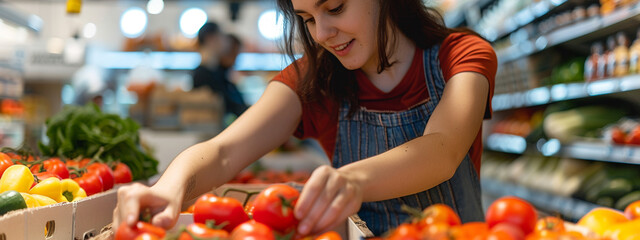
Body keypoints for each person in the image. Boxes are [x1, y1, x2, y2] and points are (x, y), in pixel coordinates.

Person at [113, 0, 496, 236]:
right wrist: (170, 187)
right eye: (307, 19)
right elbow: (224, 151)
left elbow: (442, 150)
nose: (323, 34)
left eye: (335, 8)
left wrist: (351, 180)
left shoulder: (461, 56)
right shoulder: (314, 80)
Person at [192, 22, 248, 118]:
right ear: (210, 39)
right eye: (222, 36)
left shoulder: (219, 70)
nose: (226, 41)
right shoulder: (202, 75)